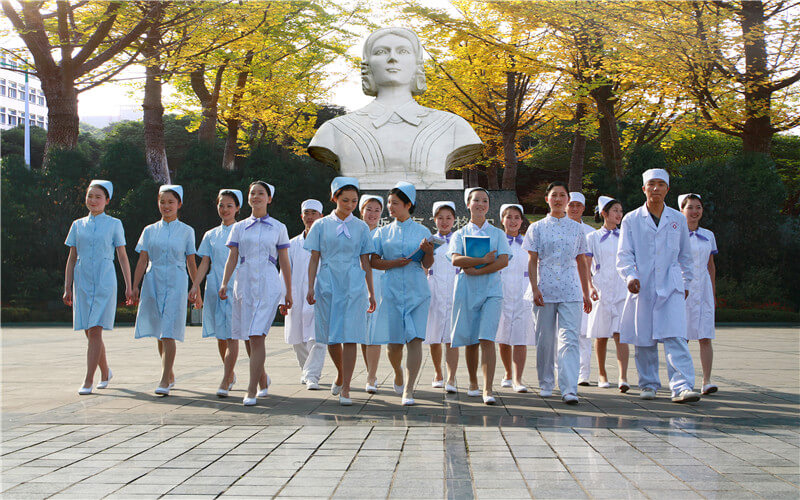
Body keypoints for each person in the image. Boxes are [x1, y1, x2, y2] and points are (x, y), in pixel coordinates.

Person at [307, 27, 482, 190]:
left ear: (417, 64)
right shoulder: (334, 131)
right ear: (368, 65)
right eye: (381, 52)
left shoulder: (453, 127)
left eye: (403, 51)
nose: (392, 58)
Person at [616, 169, 701, 403]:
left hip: (671, 286)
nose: (656, 188)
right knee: (644, 338)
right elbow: (624, 254)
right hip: (642, 285)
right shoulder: (631, 219)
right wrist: (630, 276)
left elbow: (686, 256)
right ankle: (648, 383)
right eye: (651, 184)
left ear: (667, 189)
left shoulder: (677, 219)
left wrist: (685, 282)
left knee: (676, 336)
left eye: (661, 184)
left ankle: (682, 387)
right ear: (644, 188)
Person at [218, 181, 291, 406]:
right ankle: (263, 379)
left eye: (261, 193)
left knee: (257, 336)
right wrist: (224, 283)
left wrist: (288, 291)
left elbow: (284, 262)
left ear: (269, 199)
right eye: (253, 193)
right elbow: (232, 257)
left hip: (268, 284)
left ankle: (251, 390)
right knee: (249, 337)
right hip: (244, 284)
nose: (256, 196)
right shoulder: (239, 227)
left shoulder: (278, 227)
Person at [305, 177, 377, 406]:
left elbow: (366, 262)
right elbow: (314, 258)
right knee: (332, 335)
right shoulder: (321, 225)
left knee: (351, 335)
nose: (350, 205)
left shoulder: (361, 227)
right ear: (334, 198)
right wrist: (310, 286)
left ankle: (346, 388)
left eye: (354, 201)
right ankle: (340, 373)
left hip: (353, 283)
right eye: (345, 200)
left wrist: (371, 291)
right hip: (327, 282)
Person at [524, 181, 592, 405]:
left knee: (570, 339)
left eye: (563, 195)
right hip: (544, 288)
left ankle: (569, 387)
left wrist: (586, 291)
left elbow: (581, 261)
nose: (558, 199)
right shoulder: (537, 228)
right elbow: (532, 260)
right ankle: (545, 382)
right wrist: (534, 287)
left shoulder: (577, 228)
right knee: (544, 339)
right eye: (554, 195)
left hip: (571, 289)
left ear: (568, 200)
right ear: (547, 199)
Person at [64, 180, 133, 395]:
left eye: (98, 197)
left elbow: (122, 256)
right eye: (90, 196)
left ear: (107, 201)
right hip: (82, 280)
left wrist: (129, 286)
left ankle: (88, 380)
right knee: (89, 331)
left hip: (104, 280)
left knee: (95, 330)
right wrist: (67, 287)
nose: (93, 200)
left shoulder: (114, 224)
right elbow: (72, 258)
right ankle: (105, 372)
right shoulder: (77, 225)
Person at [370, 182, 434, 405]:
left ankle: (409, 389)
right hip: (392, 290)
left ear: (408, 204)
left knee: (415, 339)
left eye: (395, 203)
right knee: (394, 344)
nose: (390, 206)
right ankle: (398, 372)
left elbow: (428, 263)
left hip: (418, 291)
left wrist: (428, 252)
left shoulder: (423, 231)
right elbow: (373, 261)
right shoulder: (382, 232)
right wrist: (394, 263)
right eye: (389, 202)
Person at [132, 185, 197, 396]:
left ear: (179, 204)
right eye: (162, 201)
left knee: (169, 330)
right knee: (160, 332)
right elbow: (142, 260)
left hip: (177, 281)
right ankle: (169, 373)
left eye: (171, 202)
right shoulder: (149, 230)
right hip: (153, 280)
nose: (166, 206)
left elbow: (191, 262)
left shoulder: (187, 231)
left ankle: (164, 379)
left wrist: (196, 287)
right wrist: (134, 285)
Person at [449, 187, 511, 405]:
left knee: (486, 337)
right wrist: (482, 260)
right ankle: (473, 382)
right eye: (476, 200)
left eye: (485, 201)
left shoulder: (497, 233)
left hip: (492, 290)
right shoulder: (459, 234)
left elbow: (503, 260)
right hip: (466, 289)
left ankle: (488, 388)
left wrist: (477, 269)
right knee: (471, 339)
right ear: (468, 204)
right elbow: (456, 259)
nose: (481, 204)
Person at [189, 189, 242, 397]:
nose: (225, 209)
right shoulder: (210, 234)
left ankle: (226, 378)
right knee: (221, 336)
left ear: (237, 208)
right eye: (221, 205)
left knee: (232, 335)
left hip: (236, 288)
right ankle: (230, 373)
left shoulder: (243, 231)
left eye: (229, 205)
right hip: (213, 287)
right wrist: (195, 285)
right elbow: (204, 262)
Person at [280, 199, 326, 391]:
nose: (310, 217)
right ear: (301, 216)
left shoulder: (326, 243)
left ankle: (312, 375)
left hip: (320, 295)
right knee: (297, 338)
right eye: (307, 213)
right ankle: (306, 370)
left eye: (314, 213)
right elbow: (284, 272)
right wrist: (283, 298)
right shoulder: (292, 244)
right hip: (296, 297)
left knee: (318, 338)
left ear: (321, 217)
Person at [586, 196, 630, 392]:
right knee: (601, 334)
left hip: (622, 289)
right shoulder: (592, 238)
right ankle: (602, 374)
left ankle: (623, 376)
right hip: (601, 288)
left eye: (621, 211)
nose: (619, 214)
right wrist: (590, 287)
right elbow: (586, 267)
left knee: (621, 334)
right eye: (615, 211)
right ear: (604, 213)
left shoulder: (626, 237)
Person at [679, 193, 718, 396]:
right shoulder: (676, 234)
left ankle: (707, 381)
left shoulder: (708, 235)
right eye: (690, 207)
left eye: (698, 207)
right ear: (682, 210)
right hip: (682, 289)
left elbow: (710, 266)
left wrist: (712, 292)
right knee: (682, 337)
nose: (695, 211)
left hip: (703, 290)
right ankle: (683, 382)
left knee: (705, 336)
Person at [496, 204, 535, 393]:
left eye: (517, 217)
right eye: (509, 217)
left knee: (521, 336)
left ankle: (518, 379)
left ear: (521, 221)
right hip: (502, 291)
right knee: (503, 335)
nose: (513, 221)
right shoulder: (496, 242)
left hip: (523, 293)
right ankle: (507, 373)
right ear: (502, 220)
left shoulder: (529, 242)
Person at [423, 201, 460, 393]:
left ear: (454, 220)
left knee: (452, 337)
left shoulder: (459, 239)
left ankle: (451, 377)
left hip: (454, 289)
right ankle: (438, 373)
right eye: (440, 218)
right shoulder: (429, 241)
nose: (444, 222)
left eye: (448, 218)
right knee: (434, 335)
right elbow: (423, 265)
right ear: (434, 219)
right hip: (434, 290)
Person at [359, 194, 389, 394]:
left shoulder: (384, 234)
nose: (373, 213)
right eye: (368, 209)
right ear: (361, 211)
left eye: (377, 210)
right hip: (356, 286)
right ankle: (371, 372)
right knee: (362, 333)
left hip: (378, 286)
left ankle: (371, 376)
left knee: (374, 332)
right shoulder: (354, 232)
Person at [567, 192, 596, 387]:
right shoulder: (557, 228)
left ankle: (583, 373)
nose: (574, 209)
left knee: (584, 332)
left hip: (583, 284)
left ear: (584, 209)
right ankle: (563, 371)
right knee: (562, 332)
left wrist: (590, 286)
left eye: (578, 205)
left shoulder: (590, 232)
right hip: (562, 283)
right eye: (571, 205)